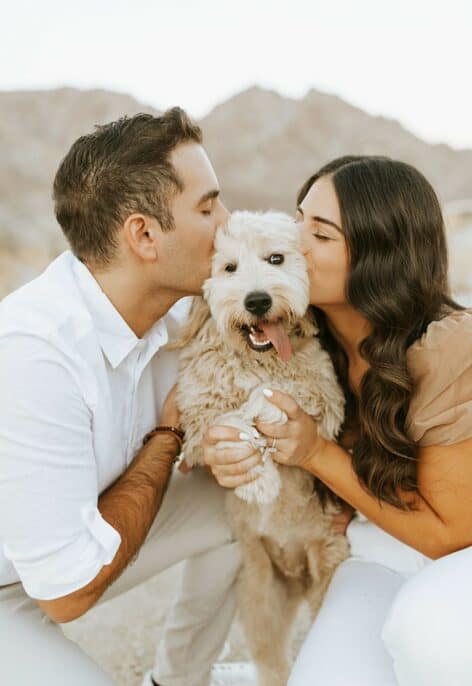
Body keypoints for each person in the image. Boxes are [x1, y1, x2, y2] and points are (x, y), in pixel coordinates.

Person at [203, 156, 472, 685]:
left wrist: (316, 455)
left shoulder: (451, 345)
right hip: (383, 539)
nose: (295, 239)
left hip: (466, 548)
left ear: (379, 254)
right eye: (299, 219)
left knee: (429, 638)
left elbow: (454, 538)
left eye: (321, 234)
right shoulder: (305, 338)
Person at [0, 108, 250, 686]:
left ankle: (178, 679)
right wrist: (167, 439)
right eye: (209, 208)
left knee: (252, 495)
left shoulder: (183, 312)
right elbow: (66, 593)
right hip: (26, 583)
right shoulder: (33, 351)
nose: (231, 223)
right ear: (143, 235)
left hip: (77, 544)